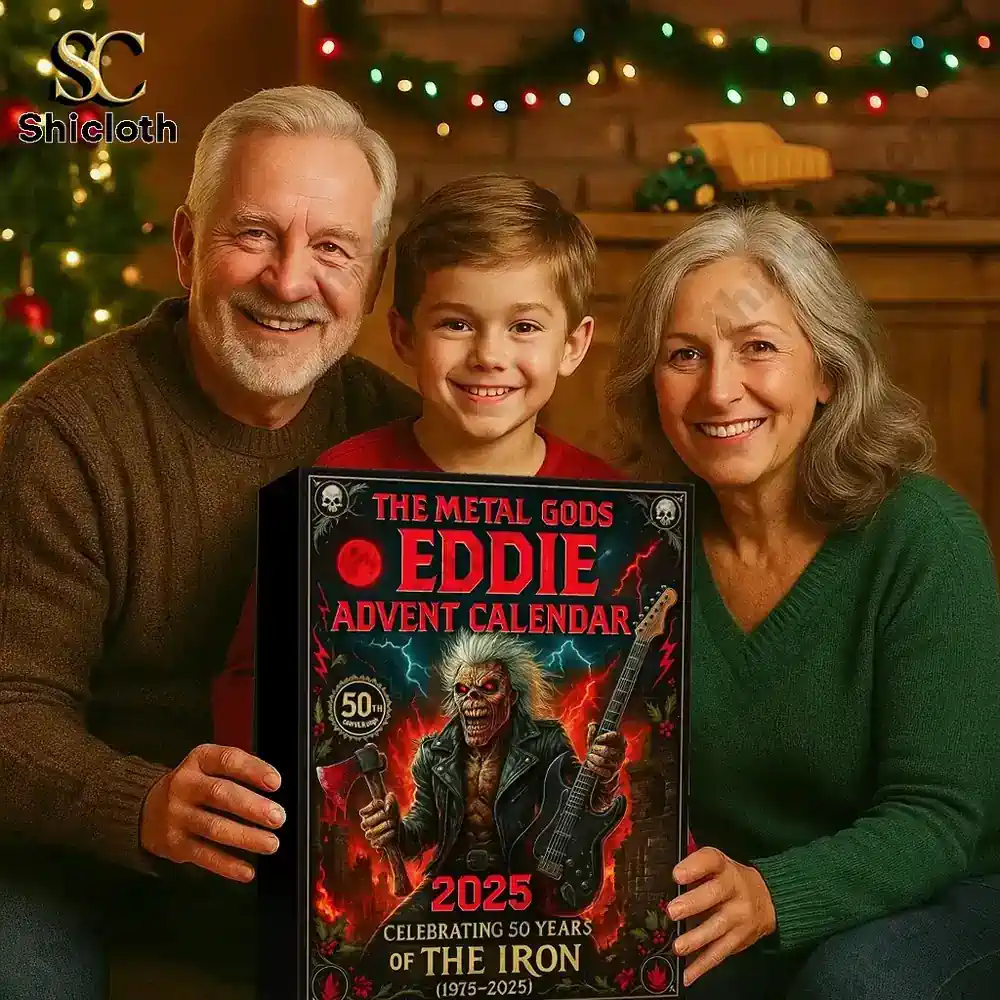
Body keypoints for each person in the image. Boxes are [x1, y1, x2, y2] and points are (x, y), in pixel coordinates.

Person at [0, 85, 418, 999]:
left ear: (372, 280)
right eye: (255, 234)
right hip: (84, 863)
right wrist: (144, 805)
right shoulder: (63, 430)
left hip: (330, 869)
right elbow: (10, 708)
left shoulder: (405, 437)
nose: (289, 279)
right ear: (188, 245)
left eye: (333, 248)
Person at [605, 203, 1000, 1000]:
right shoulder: (639, 548)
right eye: (685, 354)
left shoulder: (922, 537)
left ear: (826, 372)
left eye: (758, 348)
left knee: (855, 985)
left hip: (945, 893)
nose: (719, 390)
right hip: (731, 900)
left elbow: (938, 817)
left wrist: (772, 894)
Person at [213, 172, 624, 752]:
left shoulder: (613, 509)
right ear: (404, 337)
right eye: (455, 324)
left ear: (574, 345)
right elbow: (253, 678)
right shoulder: (340, 489)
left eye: (524, 327)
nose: (488, 355)